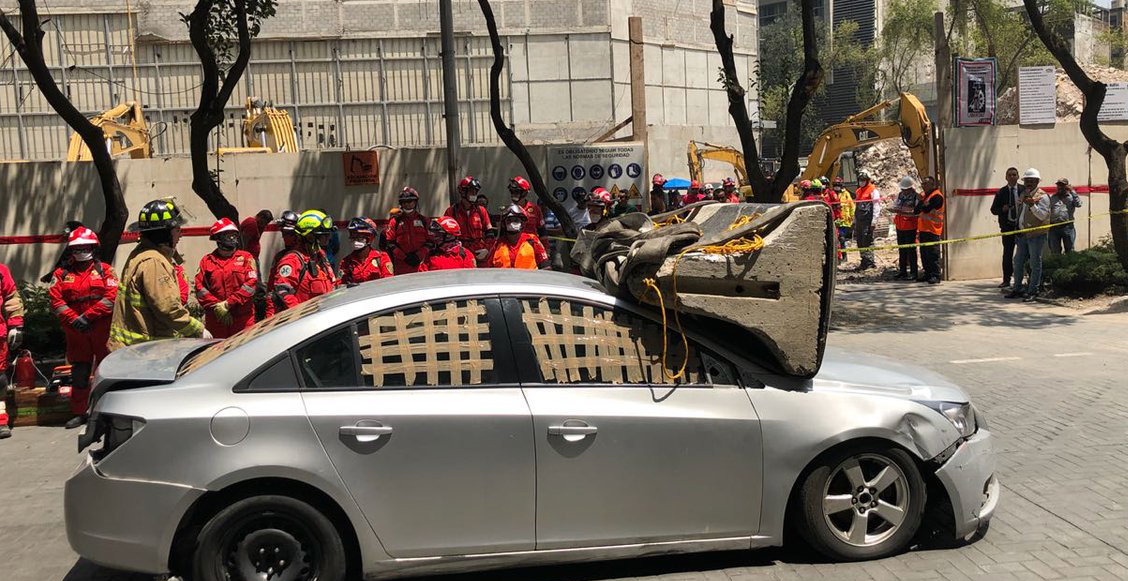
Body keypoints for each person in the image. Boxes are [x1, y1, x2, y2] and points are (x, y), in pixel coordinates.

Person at [109, 199, 206, 351]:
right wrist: (198, 329)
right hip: (147, 352)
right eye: (177, 229)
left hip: (134, 350)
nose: (180, 235)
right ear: (165, 233)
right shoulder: (154, 262)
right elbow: (168, 309)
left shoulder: (140, 254)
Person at [48, 227, 116, 429]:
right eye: (77, 248)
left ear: (94, 248)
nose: (81, 251)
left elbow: (112, 296)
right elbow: (55, 301)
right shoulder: (61, 274)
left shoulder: (106, 270)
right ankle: (80, 412)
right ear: (70, 250)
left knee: (107, 369)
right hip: (75, 330)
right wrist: (75, 319)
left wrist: (88, 317)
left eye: (85, 247)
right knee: (80, 371)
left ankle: (108, 411)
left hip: (101, 327)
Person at [194, 218, 259, 339]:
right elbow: (200, 288)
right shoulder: (206, 261)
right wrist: (218, 307)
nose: (233, 238)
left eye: (234, 235)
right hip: (217, 321)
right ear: (218, 238)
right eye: (228, 235)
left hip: (242, 321)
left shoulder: (246, 258)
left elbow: (251, 285)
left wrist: (228, 304)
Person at [271, 210, 339, 311]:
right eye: (324, 235)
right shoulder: (292, 261)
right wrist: (300, 314)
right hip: (305, 321)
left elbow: (332, 284)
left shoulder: (320, 256)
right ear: (310, 236)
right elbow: (282, 291)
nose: (328, 238)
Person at [1007, 168, 1052, 302]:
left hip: (1036, 234)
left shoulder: (1043, 196)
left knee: (1034, 262)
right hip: (1022, 234)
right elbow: (1021, 212)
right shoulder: (1023, 194)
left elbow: (1042, 215)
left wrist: (1032, 206)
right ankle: (1018, 288)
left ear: (1037, 181)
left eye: (1031, 181)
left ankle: (1033, 291)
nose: (1028, 183)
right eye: (1027, 180)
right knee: (1018, 262)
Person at [444, 175, 493, 264]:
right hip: (461, 254)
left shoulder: (481, 211)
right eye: (471, 191)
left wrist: (487, 249)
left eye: (476, 191)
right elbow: (445, 236)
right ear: (463, 192)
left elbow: (490, 233)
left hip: (480, 252)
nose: (474, 194)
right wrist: (456, 249)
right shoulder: (451, 212)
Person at [263, 210, 300, 319]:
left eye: (288, 234)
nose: (284, 237)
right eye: (283, 233)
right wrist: (270, 316)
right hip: (290, 315)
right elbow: (271, 290)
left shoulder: (315, 256)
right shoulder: (281, 258)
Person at [488, 204, 549, 269]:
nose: (512, 223)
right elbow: (488, 268)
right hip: (502, 278)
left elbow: (545, 265)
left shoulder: (532, 240)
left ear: (522, 223)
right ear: (504, 224)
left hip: (528, 278)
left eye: (516, 220)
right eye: (509, 220)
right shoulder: (497, 244)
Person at [0, 260, 22, 439]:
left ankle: (1, 420)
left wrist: (16, 325)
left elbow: (12, 298)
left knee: (0, 379)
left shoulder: (1, 271)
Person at [990, 167, 1022, 288]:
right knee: (1007, 254)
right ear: (1006, 177)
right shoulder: (1001, 192)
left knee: (1024, 253)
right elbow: (993, 210)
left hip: (1021, 228)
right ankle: (1006, 279)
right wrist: (1002, 210)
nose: (1012, 177)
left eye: (1014, 174)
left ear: (1018, 176)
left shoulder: (1023, 190)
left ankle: (1024, 279)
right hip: (1007, 227)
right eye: (1009, 175)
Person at [385, 187, 430, 274]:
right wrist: (404, 257)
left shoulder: (425, 221)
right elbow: (390, 243)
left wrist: (419, 255)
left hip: (422, 264)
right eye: (404, 202)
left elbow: (431, 242)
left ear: (415, 202)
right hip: (402, 266)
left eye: (410, 201)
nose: (407, 205)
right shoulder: (395, 222)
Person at [338, 217, 394, 286]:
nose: (355, 241)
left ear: (369, 238)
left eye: (359, 237)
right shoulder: (346, 262)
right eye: (353, 237)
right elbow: (340, 286)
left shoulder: (381, 258)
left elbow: (389, 282)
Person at [890, 177, 922, 281]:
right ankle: (902, 271)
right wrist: (894, 209)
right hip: (900, 226)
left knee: (911, 250)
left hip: (910, 226)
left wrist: (902, 211)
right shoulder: (900, 195)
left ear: (910, 188)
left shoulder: (916, 197)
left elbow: (917, 211)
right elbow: (896, 205)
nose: (903, 191)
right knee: (902, 250)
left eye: (905, 189)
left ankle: (913, 272)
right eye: (902, 189)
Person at [916, 176, 945, 284]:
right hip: (923, 229)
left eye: (926, 184)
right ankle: (927, 273)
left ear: (932, 185)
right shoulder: (925, 197)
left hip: (933, 229)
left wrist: (922, 203)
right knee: (924, 254)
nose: (923, 186)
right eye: (923, 184)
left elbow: (926, 209)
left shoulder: (937, 196)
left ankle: (935, 275)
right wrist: (921, 202)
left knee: (933, 254)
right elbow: (917, 210)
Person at [1048, 177, 1082, 255]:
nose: (1060, 187)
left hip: (1067, 227)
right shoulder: (1053, 197)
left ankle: (1068, 266)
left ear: (1067, 186)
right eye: (1058, 185)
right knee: (1054, 251)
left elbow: (1079, 204)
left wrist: (1072, 191)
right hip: (1054, 227)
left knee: (1069, 250)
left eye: (1062, 185)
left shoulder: (1071, 197)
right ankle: (1057, 266)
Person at [853, 171, 879, 270]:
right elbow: (857, 206)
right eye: (860, 180)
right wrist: (854, 221)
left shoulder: (873, 190)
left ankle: (870, 262)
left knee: (867, 240)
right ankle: (864, 260)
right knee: (860, 241)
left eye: (863, 180)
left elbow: (877, 206)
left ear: (867, 180)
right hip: (859, 220)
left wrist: (874, 221)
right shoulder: (858, 191)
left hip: (867, 221)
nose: (861, 182)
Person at [509, 176, 545, 241]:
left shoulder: (535, 209)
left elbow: (542, 231)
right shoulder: (508, 210)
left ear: (524, 193)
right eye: (512, 191)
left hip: (532, 246)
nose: (513, 194)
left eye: (516, 192)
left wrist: (546, 247)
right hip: (515, 247)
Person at [835, 178, 855, 264]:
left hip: (844, 220)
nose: (836, 187)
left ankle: (844, 256)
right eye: (835, 185)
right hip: (836, 220)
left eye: (838, 185)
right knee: (836, 239)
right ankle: (837, 257)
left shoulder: (846, 194)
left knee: (841, 238)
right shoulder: (831, 194)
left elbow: (851, 206)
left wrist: (852, 217)